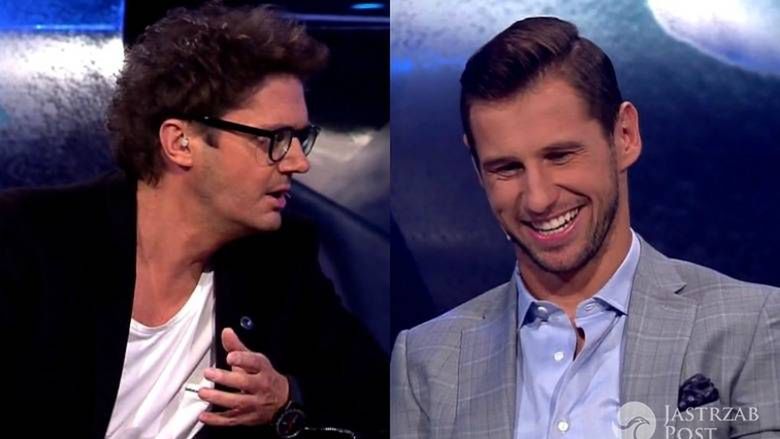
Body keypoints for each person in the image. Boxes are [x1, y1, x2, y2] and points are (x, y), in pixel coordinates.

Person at [0, 2, 387, 438]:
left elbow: (378, 398)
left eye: (301, 138)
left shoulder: (278, 263)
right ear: (180, 142)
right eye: (276, 138)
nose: (299, 162)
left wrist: (286, 398)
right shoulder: (26, 241)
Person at [390, 17, 779, 439]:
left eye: (560, 156)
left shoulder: (750, 329)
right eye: (507, 168)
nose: (538, 199)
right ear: (477, 168)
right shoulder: (426, 363)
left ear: (624, 135)